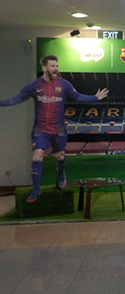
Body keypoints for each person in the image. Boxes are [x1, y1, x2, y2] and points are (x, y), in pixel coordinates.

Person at [0, 55, 109, 202]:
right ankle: (36, 190)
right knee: (37, 156)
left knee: (60, 156)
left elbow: (77, 97)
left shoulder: (64, 85)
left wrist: (95, 98)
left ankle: (60, 173)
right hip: (40, 128)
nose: (56, 68)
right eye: (52, 66)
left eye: (57, 66)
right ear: (44, 67)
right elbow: (17, 99)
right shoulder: (33, 86)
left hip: (59, 128)